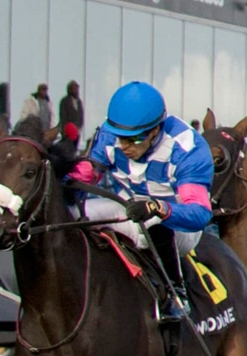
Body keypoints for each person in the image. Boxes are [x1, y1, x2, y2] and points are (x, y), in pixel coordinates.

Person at [68, 81, 215, 322]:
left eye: (133, 139)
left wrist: (159, 207)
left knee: (154, 224)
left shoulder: (187, 147)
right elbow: (88, 173)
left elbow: (199, 213)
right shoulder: (109, 135)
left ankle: (176, 295)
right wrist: (65, 179)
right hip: (127, 208)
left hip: (176, 223)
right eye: (120, 138)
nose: (124, 146)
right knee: (72, 215)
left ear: (156, 130)